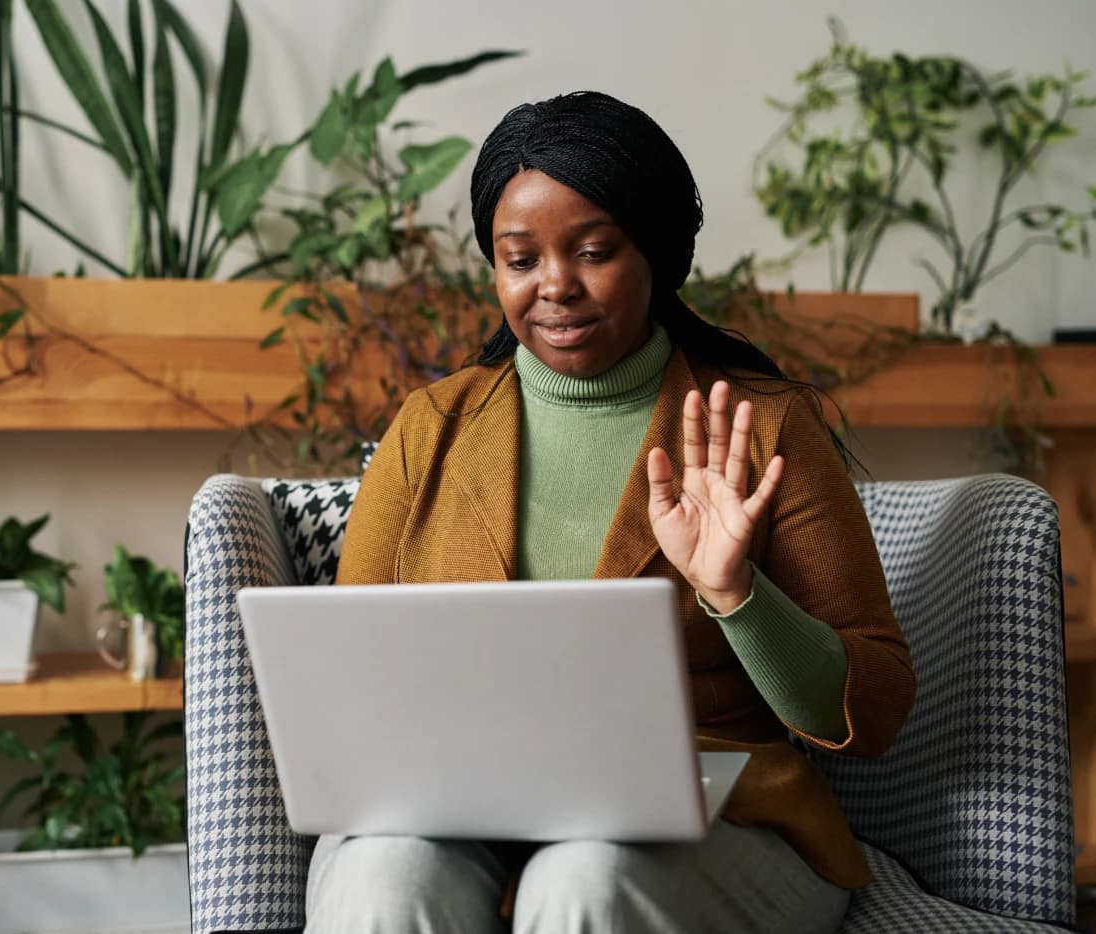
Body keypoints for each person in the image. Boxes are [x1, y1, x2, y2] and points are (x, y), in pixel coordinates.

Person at [308, 91, 915, 933]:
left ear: (657, 254)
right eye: (519, 261)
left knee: (581, 881)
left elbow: (874, 707)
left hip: (714, 821)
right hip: (462, 811)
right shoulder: (429, 430)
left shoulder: (762, 421)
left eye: (594, 251)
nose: (555, 286)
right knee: (382, 873)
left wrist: (738, 593)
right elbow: (344, 688)